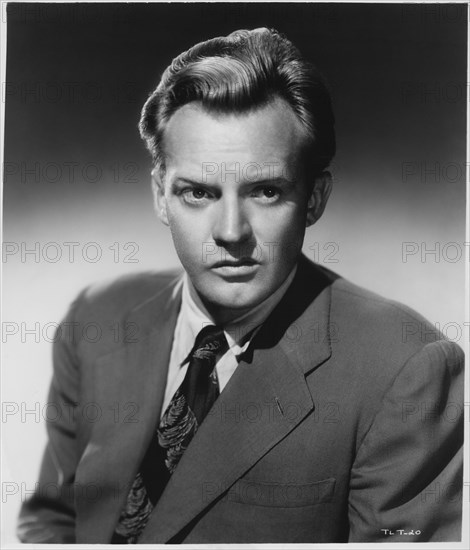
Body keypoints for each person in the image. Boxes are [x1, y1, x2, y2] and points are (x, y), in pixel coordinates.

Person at [17, 27, 463, 544]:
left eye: (266, 191)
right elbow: (51, 520)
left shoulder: (406, 366)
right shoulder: (97, 318)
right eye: (198, 192)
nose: (231, 232)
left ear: (315, 198)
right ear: (161, 195)